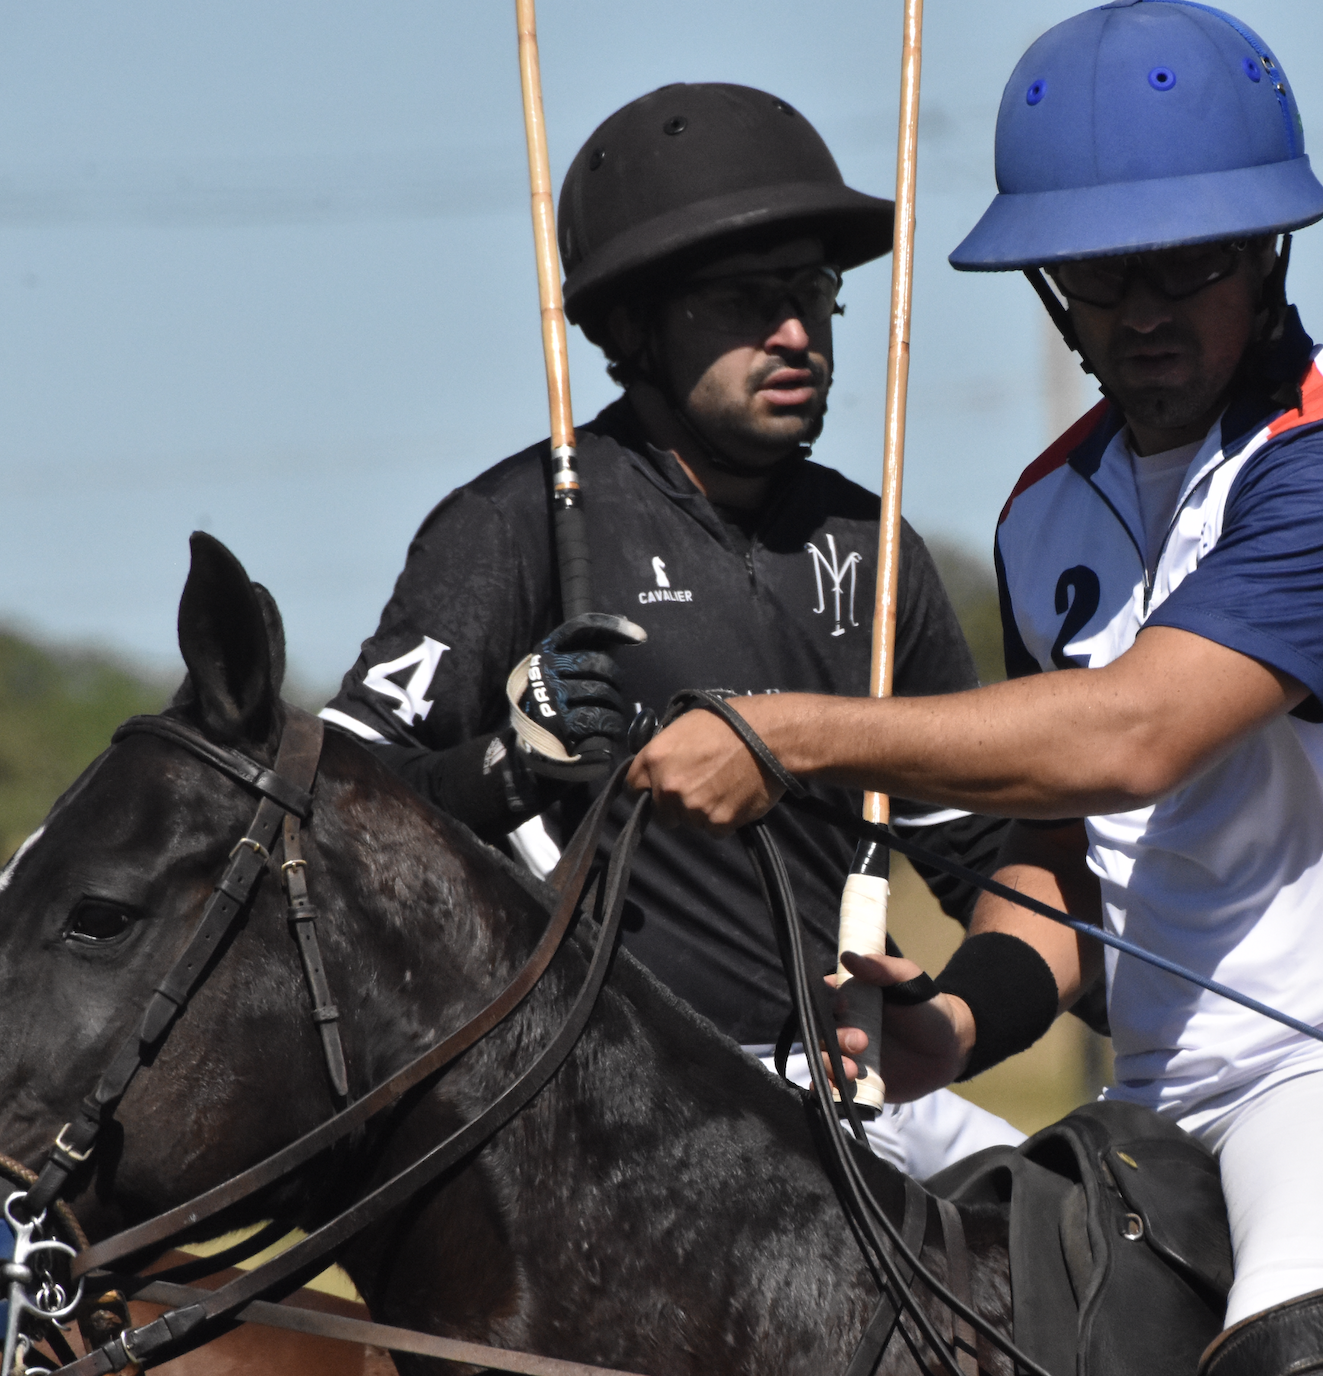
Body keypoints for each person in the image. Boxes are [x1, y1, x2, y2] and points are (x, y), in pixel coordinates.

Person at [624, 7, 1323, 1373]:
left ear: (1265, 250)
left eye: (1181, 263)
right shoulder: (1043, 517)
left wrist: (792, 737)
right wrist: (946, 1026)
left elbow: (1130, 738)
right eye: (1092, 271)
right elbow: (1074, 871)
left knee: (1298, 1355)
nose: (1136, 310)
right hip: (1159, 1115)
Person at [319, 82, 1025, 1179]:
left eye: (812, 291)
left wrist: (986, 1008)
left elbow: (987, 848)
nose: (795, 333)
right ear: (630, 327)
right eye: (747, 299)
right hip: (603, 1105)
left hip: (853, 1097)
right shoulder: (511, 525)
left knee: (1101, 1260)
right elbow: (328, 798)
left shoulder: (873, 547)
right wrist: (504, 767)